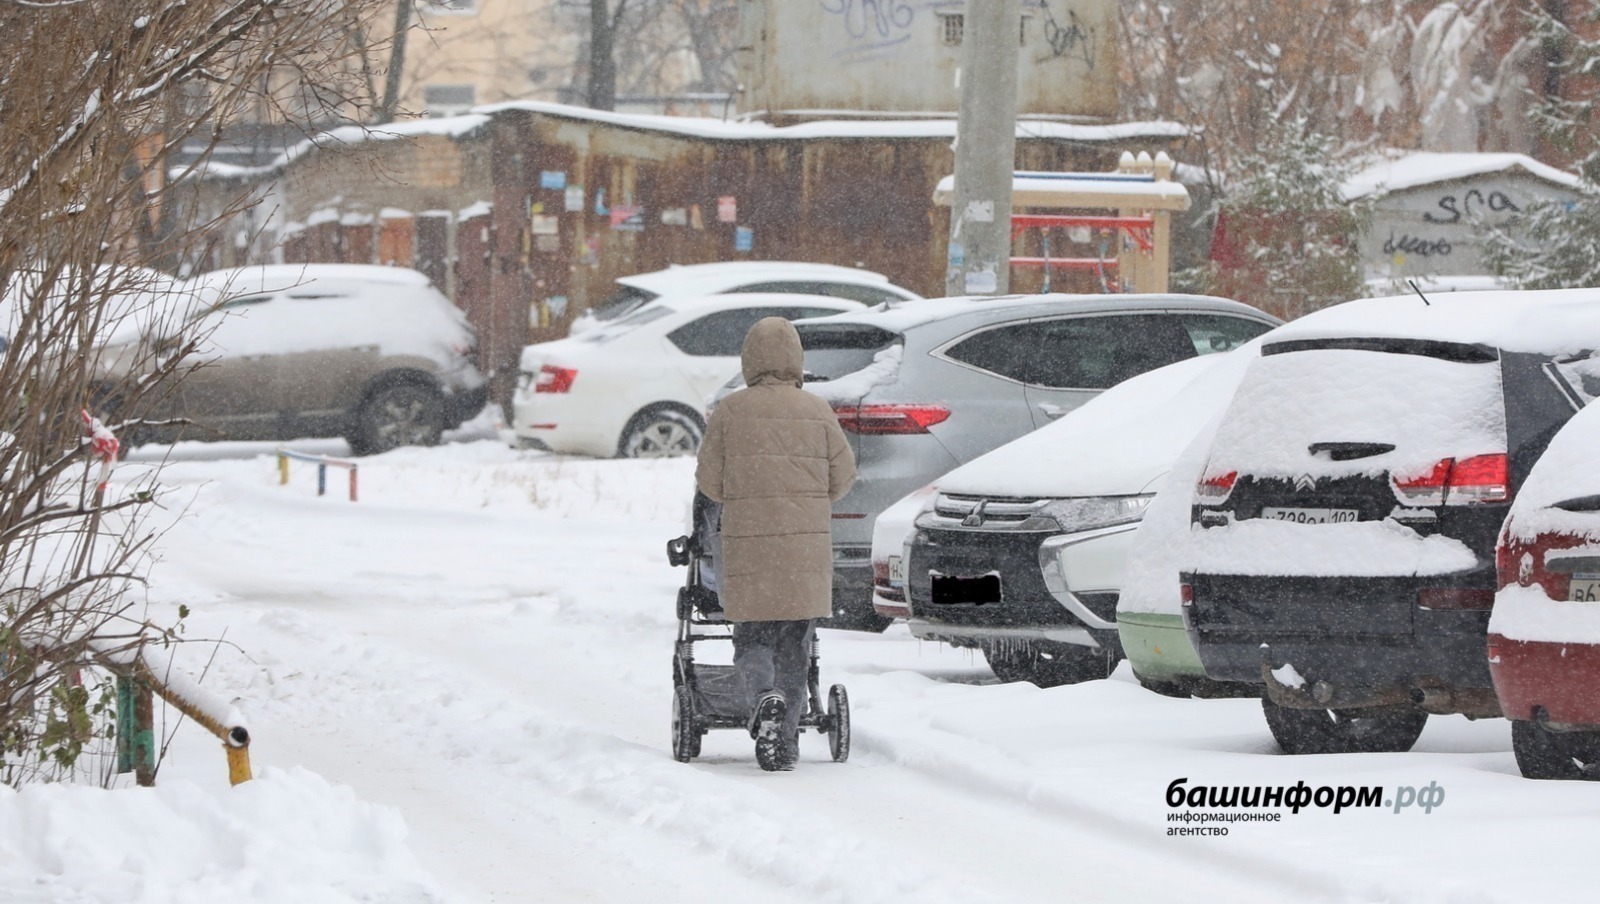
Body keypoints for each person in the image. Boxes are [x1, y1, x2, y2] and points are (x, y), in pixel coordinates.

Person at [695, 317, 856, 771]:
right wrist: (806, 498)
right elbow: (843, 478)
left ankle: (761, 697)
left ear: (749, 360)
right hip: (805, 551)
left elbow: (709, 481)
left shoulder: (731, 410)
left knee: (752, 637)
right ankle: (784, 737)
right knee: (794, 642)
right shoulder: (817, 410)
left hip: (748, 548)